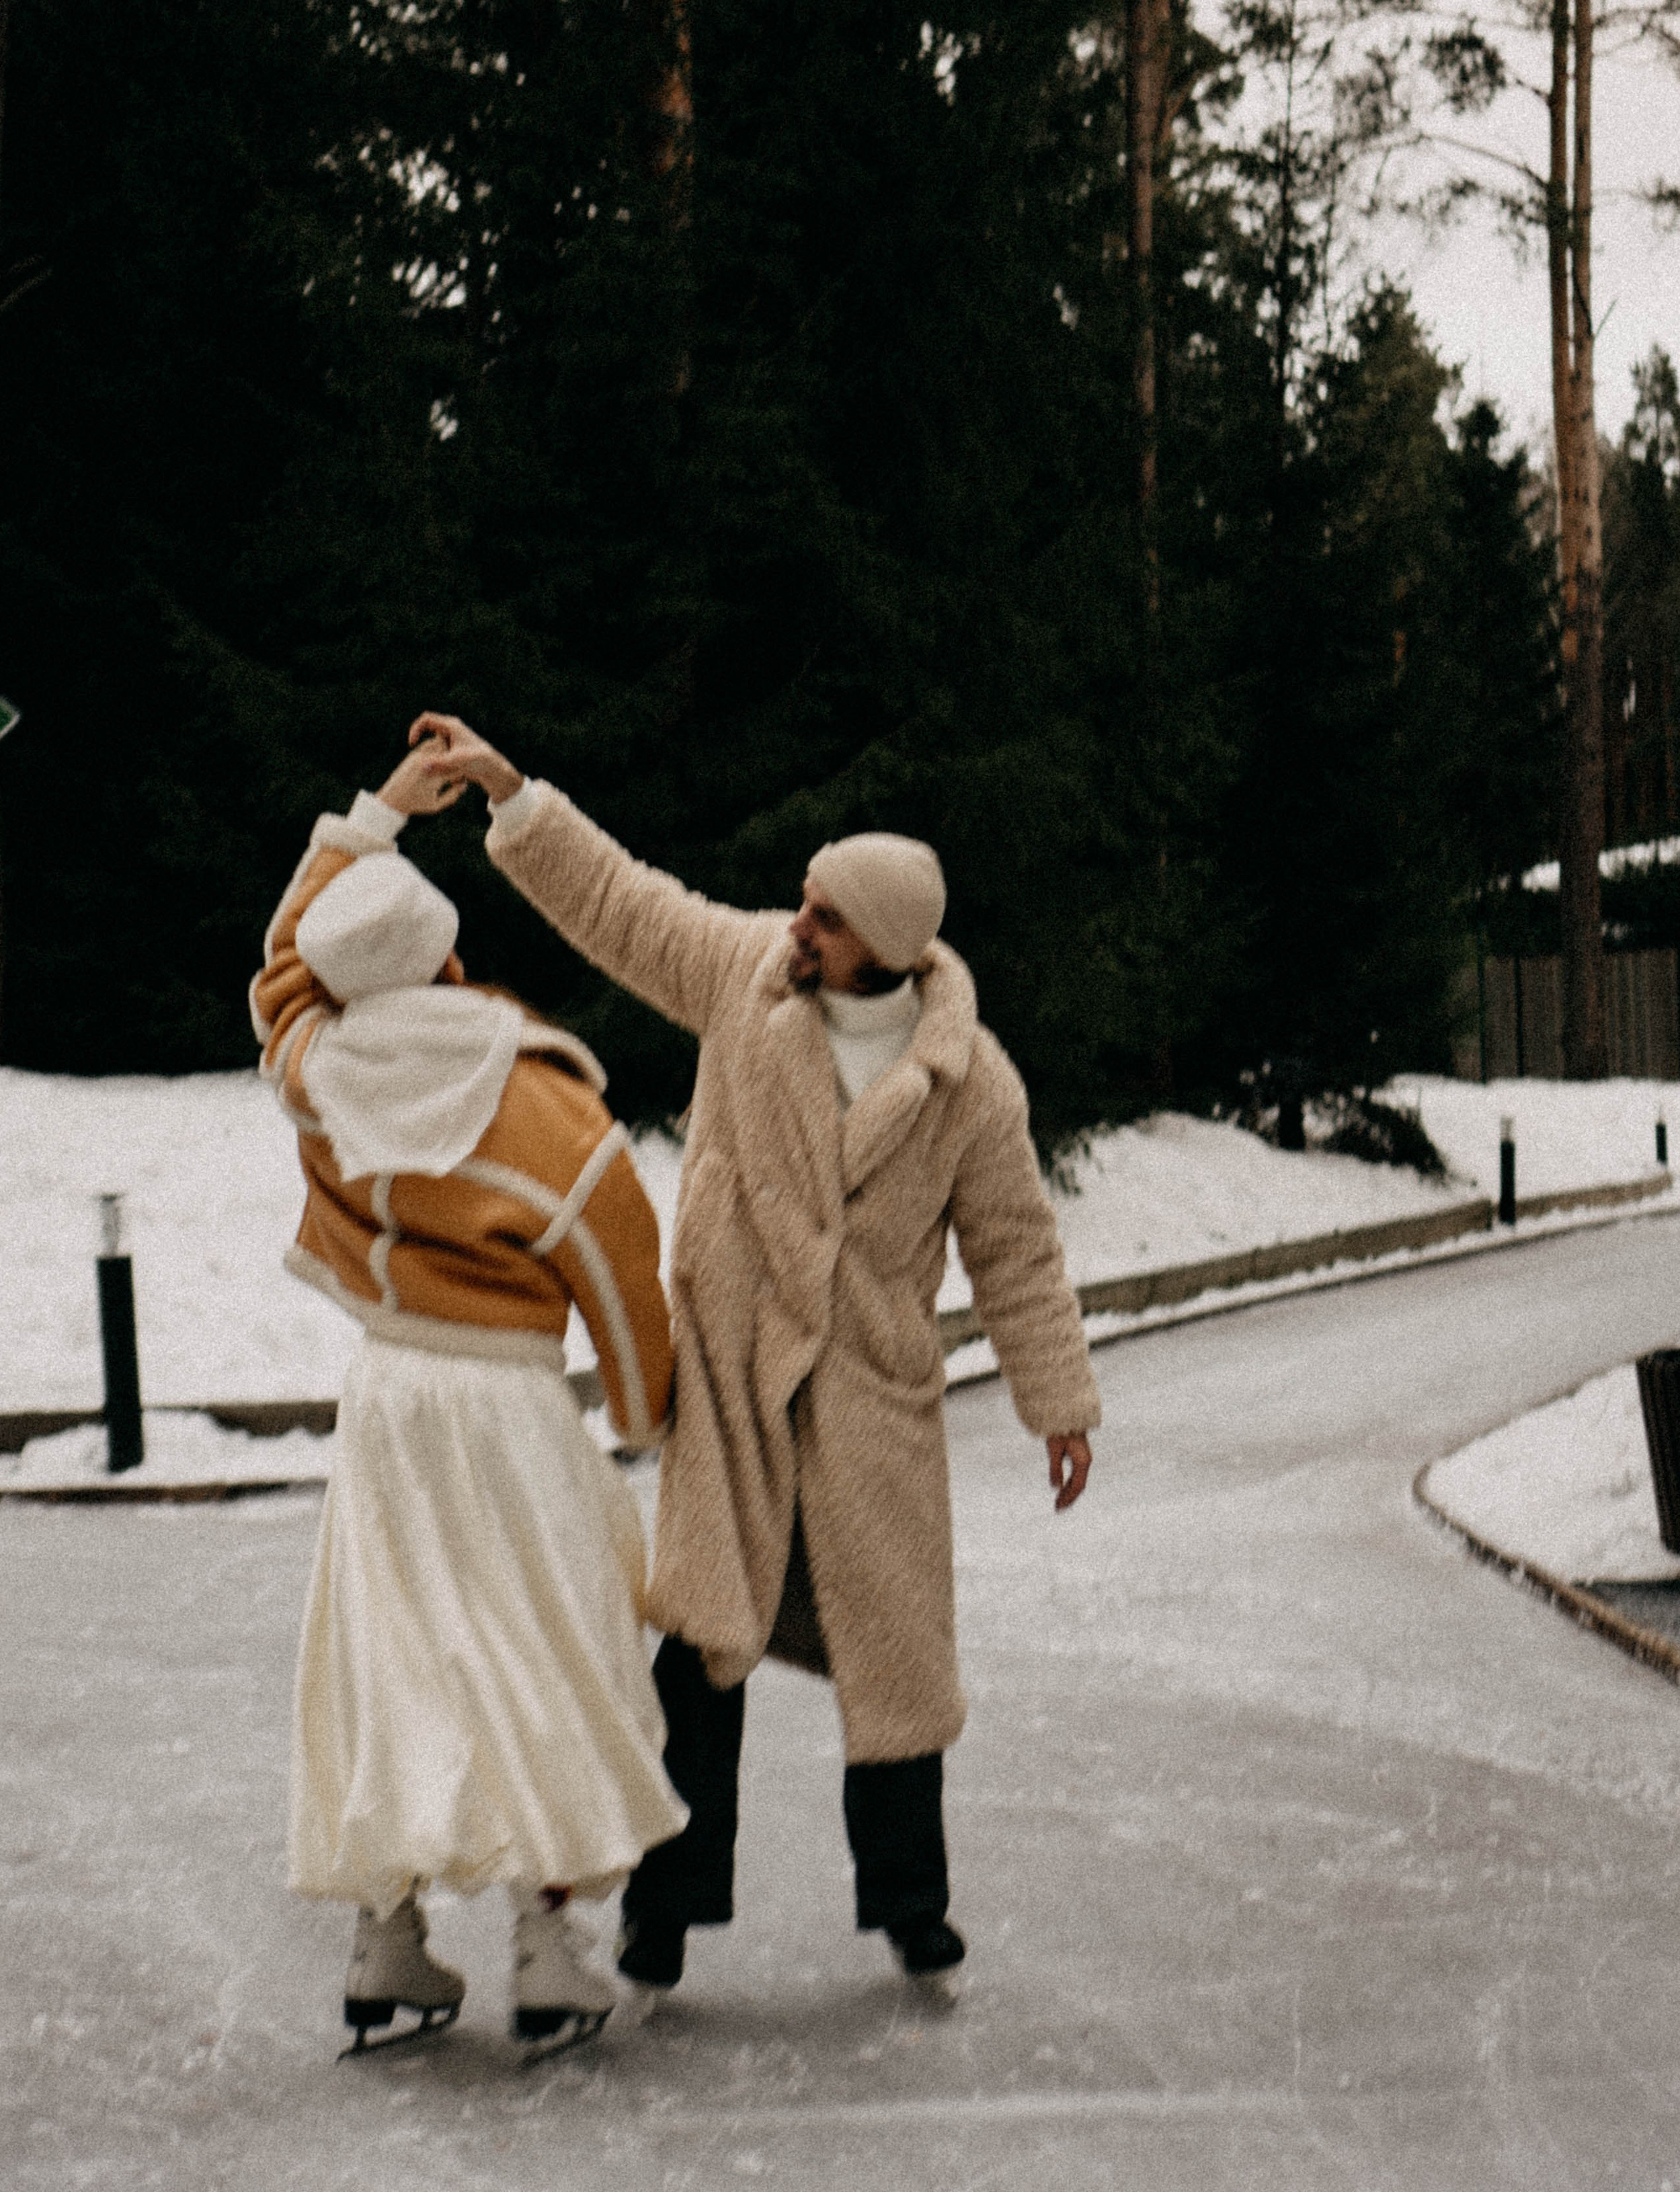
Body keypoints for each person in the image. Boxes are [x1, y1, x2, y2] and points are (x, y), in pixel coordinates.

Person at [404, 713, 1103, 2001]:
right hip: (732, 1377)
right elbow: (624, 903)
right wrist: (512, 795)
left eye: (826, 917)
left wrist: (1058, 1403)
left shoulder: (969, 1082)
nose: (799, 926)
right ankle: (663, 1914)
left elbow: (1015, 1247)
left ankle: (912, 1907)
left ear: (884, 949)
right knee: (700, 1649)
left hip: (873, 1391)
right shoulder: (746, 980)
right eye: (804, 903)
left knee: (900, 1659)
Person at [250, 739, 688, 2056]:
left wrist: (375, 815)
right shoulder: (543, 1103)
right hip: (508, 1408)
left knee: (391, 1658)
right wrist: (644, 1413)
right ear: (446, 956)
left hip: (387, 1404)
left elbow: (280, 965)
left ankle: (388, 1937)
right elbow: (618, 1275)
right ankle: (552, 1947)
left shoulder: (316, 1067)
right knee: (552, 1647)